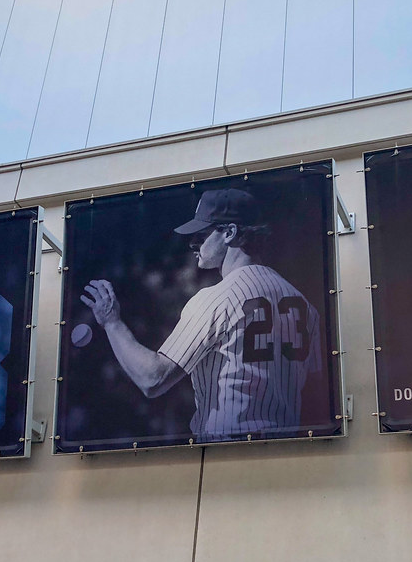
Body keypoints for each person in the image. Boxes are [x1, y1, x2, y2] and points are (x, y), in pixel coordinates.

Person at [80, 188, 322, 443]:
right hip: (288, 454)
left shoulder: (218, 298)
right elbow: (313, 396)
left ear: (229, 233)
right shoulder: (304, 304)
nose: (193, 243)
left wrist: (112, 322)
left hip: (228, 453)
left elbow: (152, 378)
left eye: (202, 235)